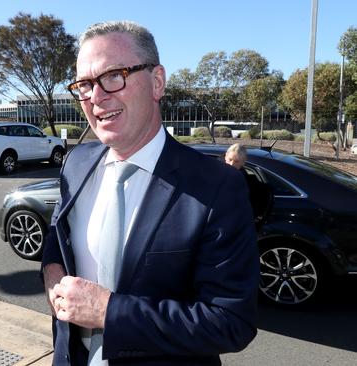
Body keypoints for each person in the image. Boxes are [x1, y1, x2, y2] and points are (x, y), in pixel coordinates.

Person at [42, 21, 259, 366]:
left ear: (157, 82)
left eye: (114, 75)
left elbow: (230, 321)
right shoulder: (76, 163)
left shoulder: (217, 186)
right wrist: (52, 272)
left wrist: (108, 311)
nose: (96, 97)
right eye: (85, 84)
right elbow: (58, 234)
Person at [225, 143, 274, 230]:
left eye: (236, 161)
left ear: (243, 162)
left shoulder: (243, 180)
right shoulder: (216, 170)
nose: (231, 164)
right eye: (230, 159)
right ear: (225, 157)